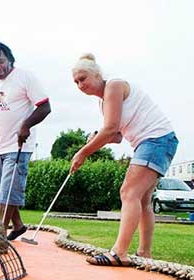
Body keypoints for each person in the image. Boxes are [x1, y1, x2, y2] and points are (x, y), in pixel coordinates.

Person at [70, 53, 178, 266]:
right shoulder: (103, 103)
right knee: (142, 200)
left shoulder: (114, 86)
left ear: (97, 74)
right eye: (76, 82)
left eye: (83, 78)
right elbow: (117, 136)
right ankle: (144, 254)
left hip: (155, 140)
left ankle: (119, 253)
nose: (80, 85)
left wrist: (82, 152)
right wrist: (100, 138)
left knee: (128, 192)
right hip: (156, 141)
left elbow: (110, 128)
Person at [0, 42, 52, 241]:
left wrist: (26, 125)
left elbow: (45, 107)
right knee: (3, 191)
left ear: (10, 60)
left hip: (19, 146)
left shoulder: (25, 77)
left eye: (0, 61)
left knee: (8, 192)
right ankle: (18, 226)